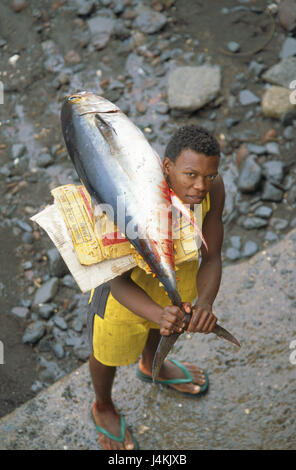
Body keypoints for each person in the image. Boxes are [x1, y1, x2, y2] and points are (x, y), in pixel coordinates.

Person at [87, 124, 225, 450]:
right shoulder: (128, 199)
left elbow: (213, 255)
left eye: (209, 176)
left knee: (161, 330)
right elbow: (115, 280)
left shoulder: (213, 191)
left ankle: (152, 365)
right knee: (105, 353)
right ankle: (102, 405)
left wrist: (204, 301)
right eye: (190, 174)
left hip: (179, 284)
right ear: (167, 168)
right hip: (124, 299)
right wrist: (156, 311)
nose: (200, 186)